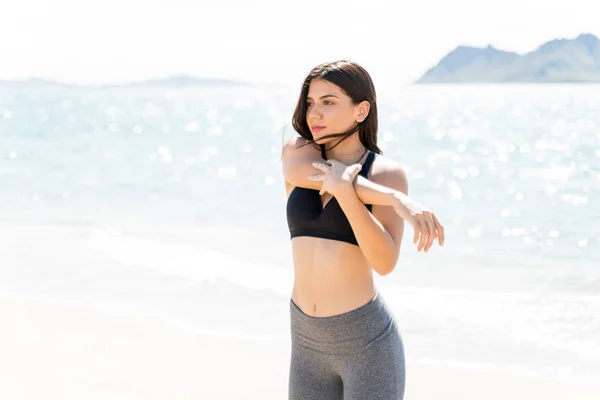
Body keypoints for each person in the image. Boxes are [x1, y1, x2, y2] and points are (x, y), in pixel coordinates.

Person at [281, 59, 444, 399]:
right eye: (310, 103)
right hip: (306, 343)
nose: (314, 114)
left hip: (365, 346)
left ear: (361, 110)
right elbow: (319, 176)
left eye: (328, 102)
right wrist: (394, 199)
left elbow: (384, 262)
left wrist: (347, 193)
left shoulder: (385, 173)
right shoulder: (297, 154)